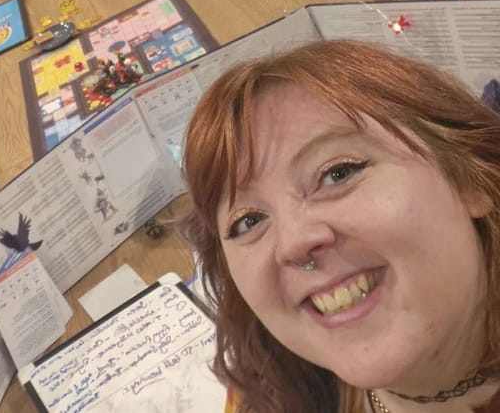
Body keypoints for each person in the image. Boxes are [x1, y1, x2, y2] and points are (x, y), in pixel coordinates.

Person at [181, 40, 500, 413]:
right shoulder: (266, 395)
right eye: (248, 221)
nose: (293, 243)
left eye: (338, 173)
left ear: (468, 179)